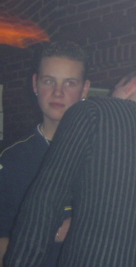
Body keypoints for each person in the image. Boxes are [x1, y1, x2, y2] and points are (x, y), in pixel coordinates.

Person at [4, 63, 136, 267]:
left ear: (132, 85)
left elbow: (46, 200)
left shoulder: (93, 113)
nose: (111, 93)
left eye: (115, 86)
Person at [0, 41, 90, 267]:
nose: (58, 92)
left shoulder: (103, 154)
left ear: (84, 89)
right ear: (35, 84)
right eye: (49, 81)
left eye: (70, 83)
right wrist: (53, 232)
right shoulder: (10, 160)